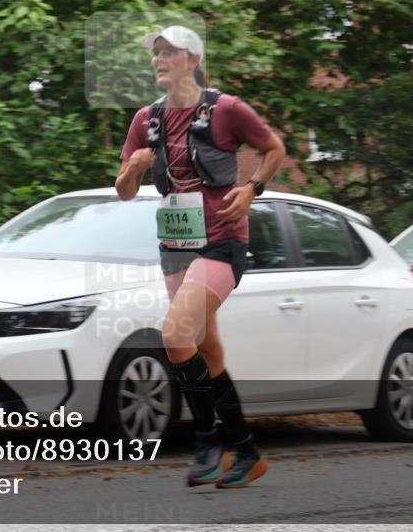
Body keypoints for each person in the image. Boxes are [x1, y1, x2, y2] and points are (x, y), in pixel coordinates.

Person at [115, 25, 285, 488]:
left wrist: (252, 189)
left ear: (193, 59)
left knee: (174, 336)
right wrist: (131, 170)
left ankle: (208, 439)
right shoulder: (144, 120)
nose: (159, 59)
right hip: (175, 247)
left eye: (169, 52)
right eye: (155, 53)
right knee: (204, 351)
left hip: (222, 243)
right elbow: (124, 192)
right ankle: (247, 452)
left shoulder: (226, 109)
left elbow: (273, 149)